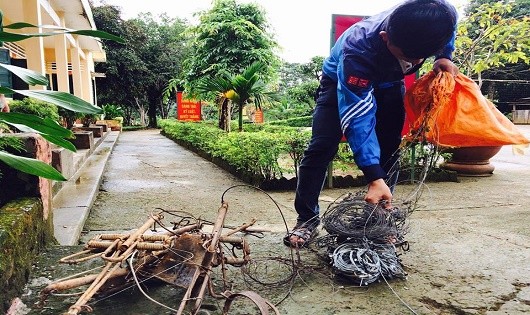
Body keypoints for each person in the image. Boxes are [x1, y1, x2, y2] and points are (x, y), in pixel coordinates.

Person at [284, 0, 459, 247]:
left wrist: (443, 56)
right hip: (340, 82)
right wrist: (373, 176)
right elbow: (358, 116)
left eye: (417, 59)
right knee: (320, 148)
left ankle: (380, 217)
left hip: (388, 83)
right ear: (385, 37)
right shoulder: (358, 49)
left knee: (390, 146)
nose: (412, 64)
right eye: (405, 58)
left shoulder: (441, 14)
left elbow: (449, 29)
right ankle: (307, 219)